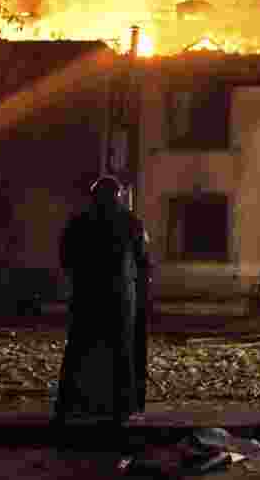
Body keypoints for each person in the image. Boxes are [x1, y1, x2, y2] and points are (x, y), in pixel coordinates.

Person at [54, 176, 149, 424]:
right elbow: (143, 261)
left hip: (87, 294)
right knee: (122, 351)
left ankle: (74, 404)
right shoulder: (131, 223)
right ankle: (121, 406)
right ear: (118, 195)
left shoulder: (78, 222)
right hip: (120, 296)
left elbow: (66, 258)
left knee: (80, 349)